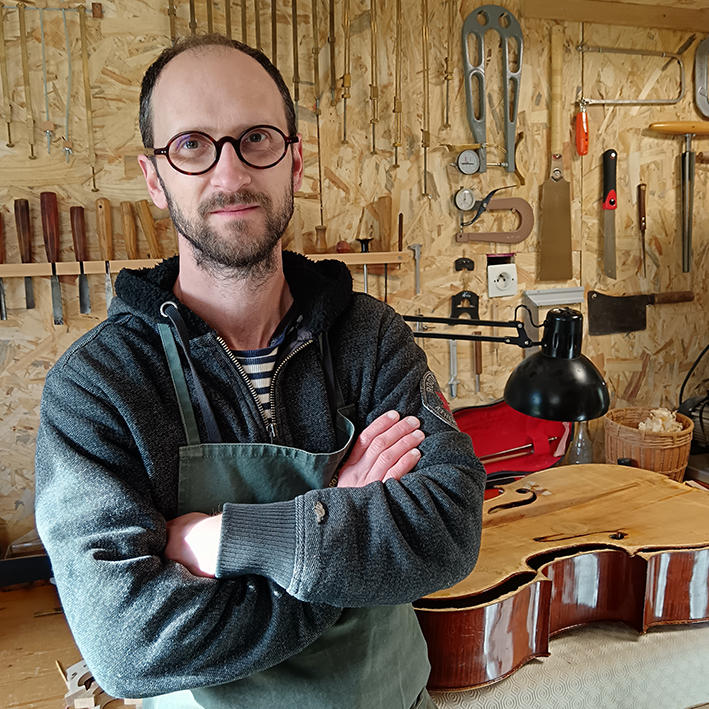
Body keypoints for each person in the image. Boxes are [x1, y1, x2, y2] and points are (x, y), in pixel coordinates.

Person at [35, 34, 485, 709]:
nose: (230, 174)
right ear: (155, 178)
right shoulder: (100, 385)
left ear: (294, 162)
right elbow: (130, 643)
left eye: (256, 139)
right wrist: (348, 528)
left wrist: (224, 540)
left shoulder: (368, 337)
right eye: (192, 144)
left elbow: (447, 531)